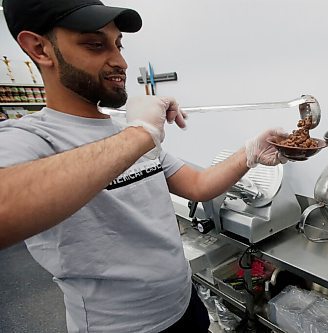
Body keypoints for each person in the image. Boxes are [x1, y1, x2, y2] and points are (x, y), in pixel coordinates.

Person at [0, 0, 287, 332]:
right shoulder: (29, 137)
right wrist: (142, 134)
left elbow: (198, 185)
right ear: (40, 48)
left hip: (184, 305)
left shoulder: (125, 132)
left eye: (118, 44)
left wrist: (250, 153)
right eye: (95, 44)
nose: (119, 61)